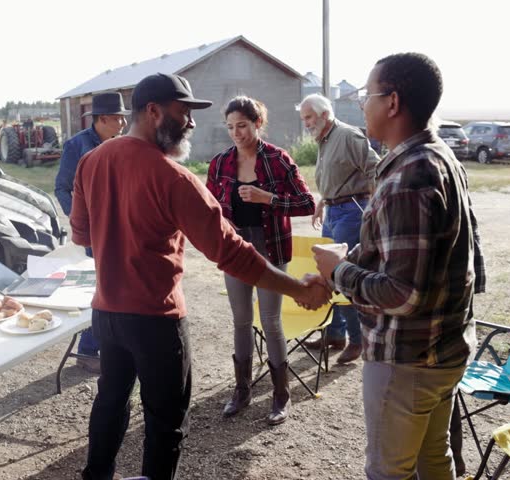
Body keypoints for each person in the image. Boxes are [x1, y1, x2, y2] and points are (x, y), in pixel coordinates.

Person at [70, 73, 330, 480]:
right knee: (166, 421)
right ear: (153, 111)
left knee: (110, 402)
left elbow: (82, 234)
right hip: (157, 320)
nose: (191, 122)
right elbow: (231, 253)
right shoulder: (173, 178)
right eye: (183, 112)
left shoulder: (92, 160)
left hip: (106, 315)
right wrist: (298, 288)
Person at [312, 52, 484, 480]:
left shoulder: (409, 175)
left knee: (390, 470)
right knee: (433, 459)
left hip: (408, 358)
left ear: (392, 102)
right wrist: (347, 265)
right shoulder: (440, 157)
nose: (361, 106)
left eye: (366, 96)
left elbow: (403, 293)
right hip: (444, 349)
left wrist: (339, 272)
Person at [206, 96, 315, 425]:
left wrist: (269, 198)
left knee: (270, 320)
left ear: (257, 123)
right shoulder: (220, 163)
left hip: (271, 247)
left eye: (242, 125)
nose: (236, 133)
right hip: (236, 249)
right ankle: (242, 390)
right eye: (230, 127)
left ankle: (281, 395)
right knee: (241, 320)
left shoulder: (278, 159)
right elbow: (210, 209)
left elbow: (307, 203)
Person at [298, 93, 379, 364]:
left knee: (342, 275)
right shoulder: (325, 137)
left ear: (324, 114)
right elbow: (339, 175)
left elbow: (376, 169)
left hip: (351, 213)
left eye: (309, 117)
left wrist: (372, 207)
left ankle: (357, 341)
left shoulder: (347, 135)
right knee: (327, 274)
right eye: (304, 118)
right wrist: (325, 199)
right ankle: (334, 335)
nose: (306, 123)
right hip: (334, 210)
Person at [54, 91, 129, 373]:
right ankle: (88, 350)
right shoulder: (78, 146)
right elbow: (61, 187)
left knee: (116, 286)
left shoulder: (121, 144)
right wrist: (81, 221)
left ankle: (109, 344)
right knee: (102, 287)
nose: (123, 123)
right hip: (96, 231)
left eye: (123, 117)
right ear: (102, 119)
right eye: (118, 118)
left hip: (122, 228)